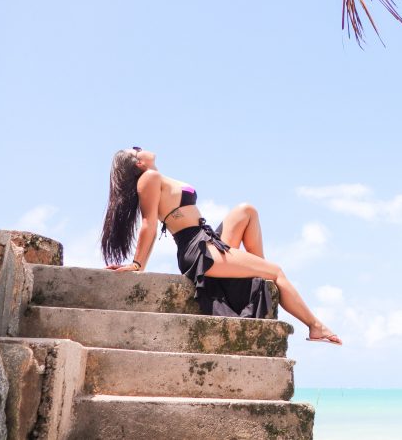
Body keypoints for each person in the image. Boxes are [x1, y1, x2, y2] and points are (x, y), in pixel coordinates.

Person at [101, 147, 342, 345]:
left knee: (246, 211)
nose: (140, 148)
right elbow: (148, 223)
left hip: (207, 239)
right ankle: (315, 326)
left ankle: (258, 273)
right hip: (197, 250)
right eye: (135, 150)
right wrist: (137, 264)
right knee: (276, 270)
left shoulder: (156, 177)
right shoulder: (149, 179)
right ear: (138, 163)